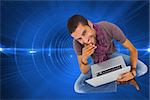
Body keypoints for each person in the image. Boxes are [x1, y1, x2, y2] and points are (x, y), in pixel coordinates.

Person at [67, 14, 148, 93]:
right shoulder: (77, 43)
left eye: (84, 32)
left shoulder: (107, 27)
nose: (85, 40)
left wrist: (133, 72)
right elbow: (84, 70)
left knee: (142, 68)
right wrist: (84, 59)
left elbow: (133, 49)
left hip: (112, 55)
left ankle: (124, 77)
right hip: (95, 64)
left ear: (90, 24)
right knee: (78, 87)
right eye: (79, 38)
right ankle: (120, 81)